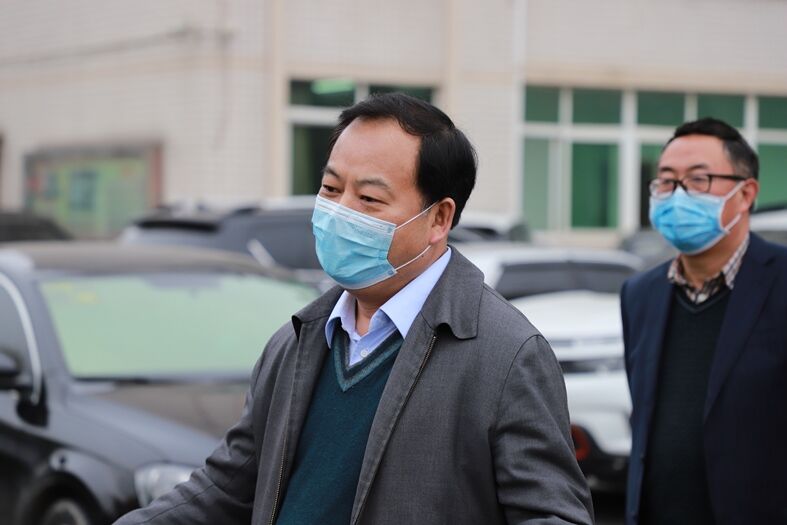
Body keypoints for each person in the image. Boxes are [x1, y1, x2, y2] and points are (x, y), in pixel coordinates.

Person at [113, 93, 594, 524]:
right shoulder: (297, 340)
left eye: (368, 198)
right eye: (330, 189)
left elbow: (551, 513)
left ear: (439, 218)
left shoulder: (505, 355)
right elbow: (226, 488)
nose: (340, 211)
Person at [621, 117, 787, 524]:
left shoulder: (781, 281)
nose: (678, 195)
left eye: (698, 180)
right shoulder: (640, 294)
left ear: (745, 194)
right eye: (666, 181)